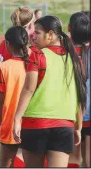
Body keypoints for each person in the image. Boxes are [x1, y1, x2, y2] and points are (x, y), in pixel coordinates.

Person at [13, 15, 87, 168]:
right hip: (64, 126)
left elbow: (28, 88)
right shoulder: (75, 59)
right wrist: (78, 127)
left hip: (35, 124)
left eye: (38, 32)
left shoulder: (38, 55)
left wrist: (16, 119)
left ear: (51, 34)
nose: (33, 36)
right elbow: (80, 95)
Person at [0, 7, 35, 120]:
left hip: (0, 101)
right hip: (20, 106)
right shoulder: (32, 51)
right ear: (30, 26)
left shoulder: (5, 43)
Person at [0, 26, 29, 167]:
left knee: (6, 165)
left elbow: (1, 101)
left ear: (7, 44)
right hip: (30, 122)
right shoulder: (33, 65)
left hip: (9, 122)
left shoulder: (4, 67)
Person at [68, 12, 90, 168]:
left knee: (72, 159)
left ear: (69, 28)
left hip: (69, 112)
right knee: (87, 160)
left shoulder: (65, 51)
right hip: (87, 112)